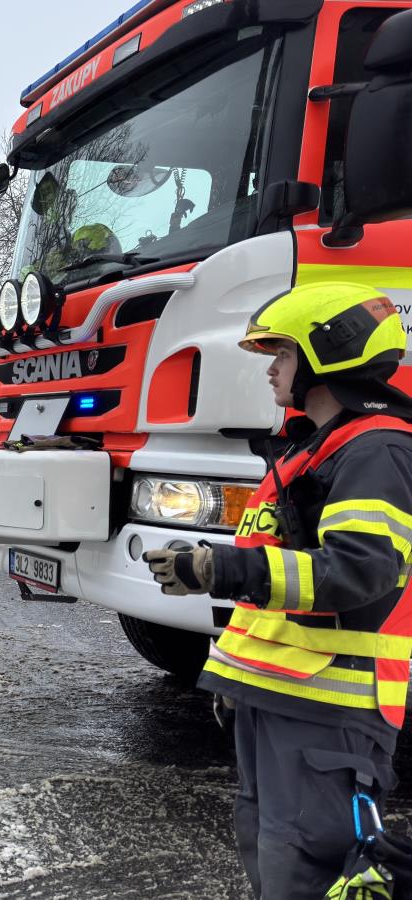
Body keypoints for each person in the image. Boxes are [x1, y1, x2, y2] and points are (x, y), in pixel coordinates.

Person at [143, 282, 412, 898]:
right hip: (279, 695)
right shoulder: (310, 451)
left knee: (310, 869)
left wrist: (223, 570)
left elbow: (357, 572)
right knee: (272, 855)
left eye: (283, 355)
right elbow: (283, 565)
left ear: (329, 355)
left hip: (330, 706)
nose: (271, 372)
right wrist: (237, 680)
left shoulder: (376, 451)